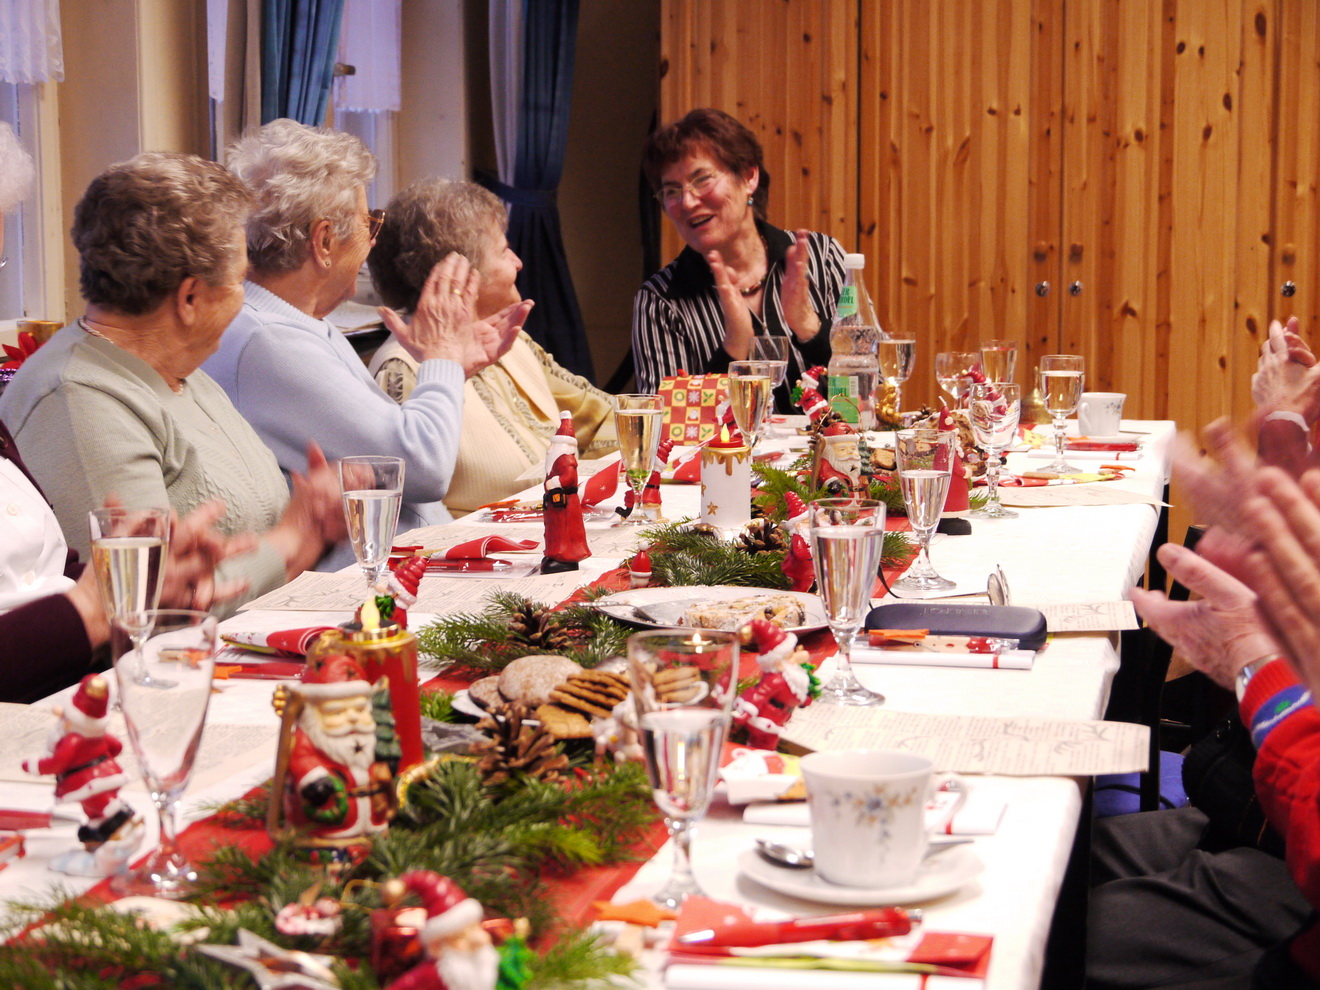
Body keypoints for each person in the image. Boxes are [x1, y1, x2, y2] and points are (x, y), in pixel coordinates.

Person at [0, 152, 345, 622]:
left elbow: (249, 517)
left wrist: (311, 513)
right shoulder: (76, 398)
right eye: (240, 280)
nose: (245, 299)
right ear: (190, 297)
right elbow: (144, 600)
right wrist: (295, 538)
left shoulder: (185, 371)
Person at [204, 121, 532, 539]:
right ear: (324, 241)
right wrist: (443, 358)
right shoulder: (269, 341)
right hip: (376, 571)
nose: (373, 242)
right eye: (369, 225)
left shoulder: (297, 323)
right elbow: (422, 469)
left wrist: (454, 368)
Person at [366, 177, 616, 515]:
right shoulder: (400, 370)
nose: (517, 262)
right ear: (460, 277)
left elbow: (607, 417)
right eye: (503, 251)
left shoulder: (511, 342)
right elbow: (406, 510)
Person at [632, 107, 846, 412]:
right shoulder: (660, 301)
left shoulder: (822, 258)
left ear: (748, 176)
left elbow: (875, 386)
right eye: (671, 191)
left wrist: (809, 327)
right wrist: (734, 348)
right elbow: (666, 424)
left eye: (702, 179)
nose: (687, 201)